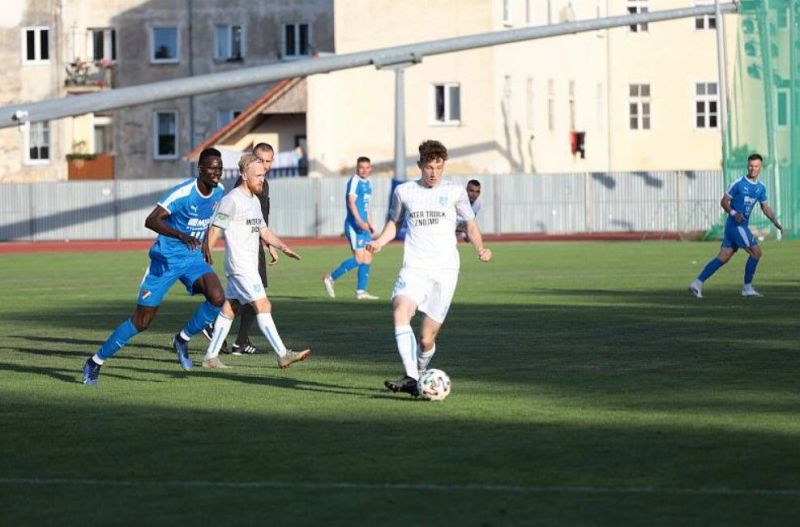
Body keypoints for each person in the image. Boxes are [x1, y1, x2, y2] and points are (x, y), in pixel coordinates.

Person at [82, 148, 227, 385]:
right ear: (200, 169)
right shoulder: (183, 193)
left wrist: (206, 245)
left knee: (217, 297)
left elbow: (211, 217)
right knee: (141, 322)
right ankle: (95, 362)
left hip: (192, 259)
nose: (216, 172)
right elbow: (151, 220)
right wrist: (181, 235)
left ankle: (182, 338)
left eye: (219, 168)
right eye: (212, 167)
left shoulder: (219, 191)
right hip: (166, 261)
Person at [366, 140, 492, 396]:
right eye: (429, 167)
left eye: (439, 167)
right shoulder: (404, 191)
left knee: (426, 340)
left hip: (445, 271)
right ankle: (412, 376)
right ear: (420, 165)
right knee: (400, 311)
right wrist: (379, 241)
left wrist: (480, 248)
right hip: (414, 267)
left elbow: (470, 226)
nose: (434, 173)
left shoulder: (455, 192)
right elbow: (394, 222)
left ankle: (419, 371)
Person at [202, 153, 311, 370]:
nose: (262, 179)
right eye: (258, 175)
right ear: (244, 175)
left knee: (230, 308)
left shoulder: (254, 200)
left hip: (247, 266)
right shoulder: (231, 200)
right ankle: (283, 354)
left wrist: (282, 246)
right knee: (263, 304)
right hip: (240, 266)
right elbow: (215, 228)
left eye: (263, 175)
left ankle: (210, 357)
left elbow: (263, 230)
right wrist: (205, 257)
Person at [202, 142, 278, 355]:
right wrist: (208, 249)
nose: (264, 165)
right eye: (260, 160)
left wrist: (270, 244)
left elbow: (261, 221)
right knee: (258, 297)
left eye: (268, 161)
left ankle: (225, 343)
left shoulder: (263, 183)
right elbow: (226, 222)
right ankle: (275, 351)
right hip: (243, 252)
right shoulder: (242, 187)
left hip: (255, 245)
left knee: (236, 300)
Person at [689, 153, 783, 298]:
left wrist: (775, 222)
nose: (753, 169)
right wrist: (734, 213)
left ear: (760, 168)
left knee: (723, 257)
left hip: (739, 226)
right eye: (751, 165)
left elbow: (765, 207)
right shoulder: (738, 183)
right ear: (747, 166)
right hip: (736, 225)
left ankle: (697, 283)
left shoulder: (761, 187)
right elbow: (724, 201)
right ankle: (747, 288)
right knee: (756, 252)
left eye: (756, 166)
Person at [322, 156, 379, 300]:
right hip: (354, 226)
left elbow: (366, 206)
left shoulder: (368, 183)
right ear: (357, 168)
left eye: (367, 167)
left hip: (364, 226)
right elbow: (351, 202)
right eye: (362, 167)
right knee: (359, 258)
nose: (364, 170)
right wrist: (360, 222)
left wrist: (370, 224)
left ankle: (361, 292)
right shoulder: (354, 181)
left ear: (370, 169)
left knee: (368, 257)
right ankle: (330, 277)